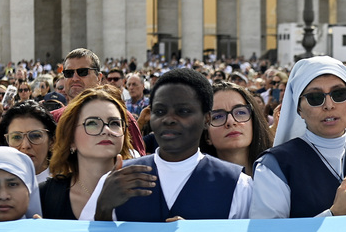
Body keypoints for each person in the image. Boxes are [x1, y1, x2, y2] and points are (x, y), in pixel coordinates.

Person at [250, 56, 346, 221]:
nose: (329, 105)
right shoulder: (274, 167)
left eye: (339, 94)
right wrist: (333, 215)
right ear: (299, 109)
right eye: (315, 98)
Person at [88, 68, 253, 222]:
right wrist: (103, 209)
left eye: (183, 111)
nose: (168, 119)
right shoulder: (117, 178)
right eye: (159, 112)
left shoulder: (238, 185)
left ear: (207, 119)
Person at [39, 87, 134, 220]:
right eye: (92, 123)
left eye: (114, 123)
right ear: (71, 138)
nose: (106, 130)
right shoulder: (45, 195)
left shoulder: (143, 193)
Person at [52, 48, 145, 157]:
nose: (75, 78)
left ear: (99, 78)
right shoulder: (53, 119)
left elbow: (138, 165)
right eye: (69, 73)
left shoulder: (122, 119)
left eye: (83, 72)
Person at [202, 81, 273, 174]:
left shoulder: (281, 172)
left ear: (254, 121)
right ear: (207, 135)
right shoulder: (196, 184)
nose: (231, 121)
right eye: (218, 116)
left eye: (240, 112)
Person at [0, 101, 58, 183]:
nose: (25, 145)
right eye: (16, 137)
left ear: (51, 141)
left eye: (35, 136)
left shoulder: (68, 189)